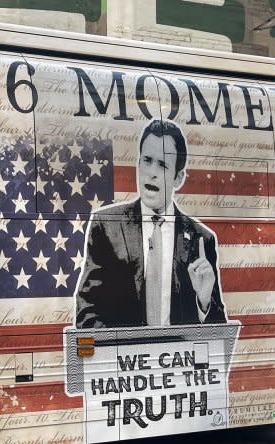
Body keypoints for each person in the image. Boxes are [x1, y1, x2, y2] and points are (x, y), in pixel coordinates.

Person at [74, 119, 227, 328]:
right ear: (138, 164)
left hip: (179, 359)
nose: (151, 172)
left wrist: (204, 300)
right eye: (147, 160)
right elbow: (87, 312)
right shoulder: (107, 226)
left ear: (178, 178)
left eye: (162, 165)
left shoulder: (202, 239)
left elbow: (218, 332)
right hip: (125, 359)